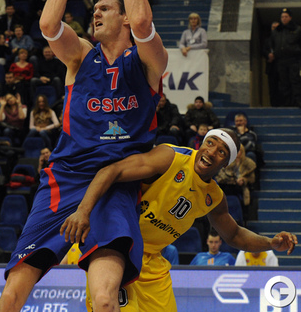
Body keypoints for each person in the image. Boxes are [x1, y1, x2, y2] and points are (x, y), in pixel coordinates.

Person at [0, 0, 168, 312]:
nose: (96, 14)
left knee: (104, 299)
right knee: (13, 291)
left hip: (114, 184)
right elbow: (48, 26)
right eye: (95, 10)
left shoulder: (148, 63)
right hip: (66, 176)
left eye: (105, 9)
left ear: (124, 19)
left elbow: (144, 24)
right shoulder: (81, 57)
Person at [60, 128, 297, 312]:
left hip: (152, 262)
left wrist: (271, 243)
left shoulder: (214, 197)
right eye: (210, 143)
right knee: (108, 305)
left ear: (226, 163)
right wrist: (83, 211)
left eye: (221, 151)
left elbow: (234, 235)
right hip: (118, 247)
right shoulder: (171, 157)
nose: (211, 151)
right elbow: (113, 171)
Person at [270, 8, 301, 107]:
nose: (284, 18)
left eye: (286, 16)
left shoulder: (297, 29)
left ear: (290, 17)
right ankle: (286, 104)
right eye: (282, 17)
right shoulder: (277, 31)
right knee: (284, 83)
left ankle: (297, 103)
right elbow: (272, 44)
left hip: (293, 60)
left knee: (295, 81)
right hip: (281, 61)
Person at [262, 21, 281, 107]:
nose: (275, 29)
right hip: (271, 67)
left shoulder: (284, 40)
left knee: (283, 88)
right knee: (272, 88)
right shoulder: (267, 40)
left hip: (282, 67)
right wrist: (268, 55)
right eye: (273, 28)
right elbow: (263, 51)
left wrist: (275, 55)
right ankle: (274, 106)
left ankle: (283, 106)